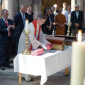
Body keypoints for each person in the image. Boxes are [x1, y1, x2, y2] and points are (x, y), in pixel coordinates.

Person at [18, 13, 52, 81]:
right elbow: (32, 38)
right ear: (38, 19)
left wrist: (47, 43)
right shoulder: (31, 25)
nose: (42, 23)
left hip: (31, 43)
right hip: (25, 43)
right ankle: (26, 76)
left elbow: (41, 36)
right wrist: (42, 45)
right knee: (25, 58)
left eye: (44, 22)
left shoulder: (38, 25)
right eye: (42, 21)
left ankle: (30, 73)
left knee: (30, 59)